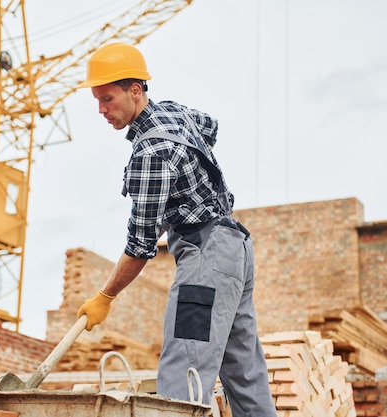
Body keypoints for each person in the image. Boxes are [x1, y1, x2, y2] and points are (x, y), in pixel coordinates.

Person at [76, 43, 277, 416]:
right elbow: (211, 127)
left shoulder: (149, 155)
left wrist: (105, 297)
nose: (101, 110)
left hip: (205, 261)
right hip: (236, 250)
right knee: (245, 374)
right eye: (97, 101)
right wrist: (190, 179)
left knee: (184, 375)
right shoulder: (174, 113)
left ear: (135, 90)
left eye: (107, 98)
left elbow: (140, 246)